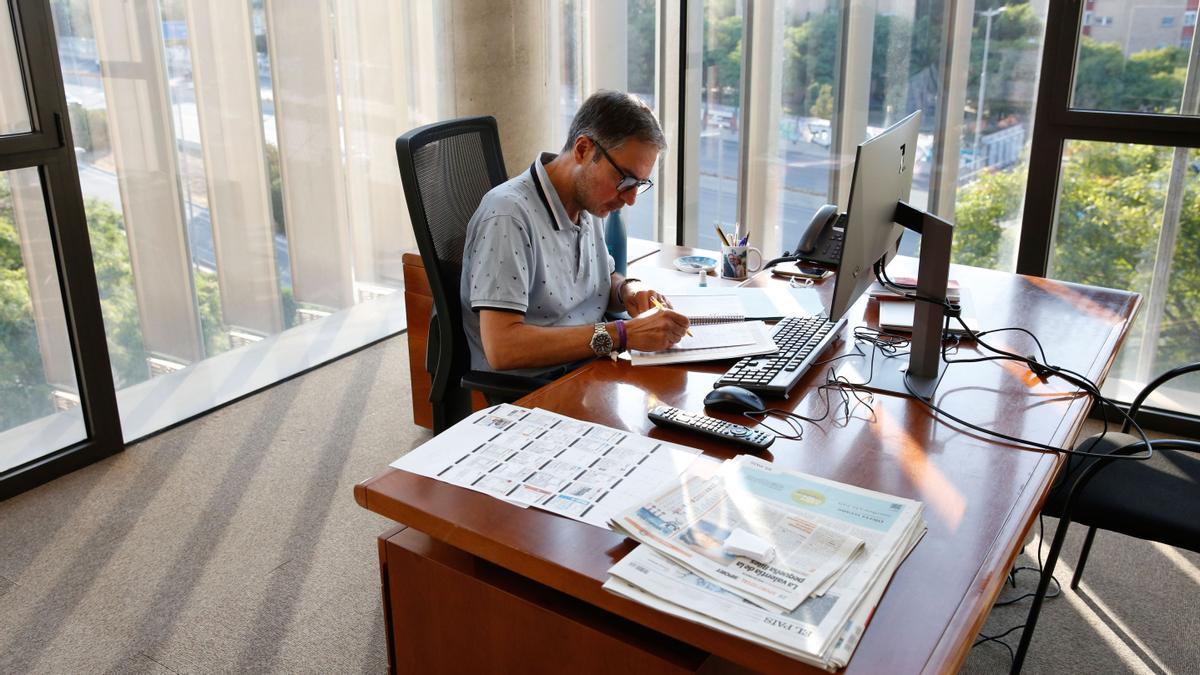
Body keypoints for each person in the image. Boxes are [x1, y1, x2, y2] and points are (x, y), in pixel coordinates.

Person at [460, 90, 689, 379]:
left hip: (593, 366)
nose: (631, 198)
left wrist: (628, 290)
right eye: (625, 180)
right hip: (540, 388)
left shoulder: (590, 202)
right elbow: (502, 348)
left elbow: (600, 283)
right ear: (583, 150)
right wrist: (622, 333)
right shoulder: (507, 216)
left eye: (640, 184)